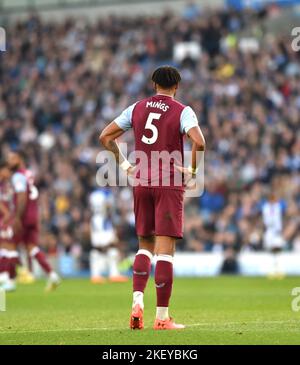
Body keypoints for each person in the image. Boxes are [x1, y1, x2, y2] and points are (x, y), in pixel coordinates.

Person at [100, 66, 205, 330]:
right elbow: (200, 142)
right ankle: (161, 317)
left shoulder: (136, 108)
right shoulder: (183, 111)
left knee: (144, 245)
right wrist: (192, 171)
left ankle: (137, 303)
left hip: (141, 183)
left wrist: (125, 167)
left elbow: (105, 136)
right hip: (168, 183)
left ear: (153, 84)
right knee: (165, 251)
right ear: (177, 86)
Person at [7, 150, 61, 292]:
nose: (9, 162)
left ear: (20, 159)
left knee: (10, 245)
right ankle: (52, 274)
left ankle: (10, 281)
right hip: (33, 214)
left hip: (23, 215)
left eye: (12, 158)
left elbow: (22, 196)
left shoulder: (18, 176)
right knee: (32, 247)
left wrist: (17, 218)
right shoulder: (28, 173)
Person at [89, 188, 128, 283]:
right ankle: (97, 275)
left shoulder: (95, 195)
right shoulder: (104, 195)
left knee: (110, 250)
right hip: (101, 223)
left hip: (101, 221)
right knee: (102, 249)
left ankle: (112, 274)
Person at [0, 160, 19, 291]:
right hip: (5, 219)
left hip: (8, 219)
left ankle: (9, 278)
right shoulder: (4, 184)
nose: (8, 172)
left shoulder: (7, 184)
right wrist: (6, 213)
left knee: (8, 247)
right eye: (6, 169)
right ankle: (7, 277)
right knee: (6, 248)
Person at [262, 191, 287, 279]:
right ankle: (271, 271)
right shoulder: (266, 207)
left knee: (278, 250)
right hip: (269, 230)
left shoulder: (278, 207)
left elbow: (280, 218)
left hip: (277, 231)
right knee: (270, 250)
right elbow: (267, 220)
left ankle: (278, 270)